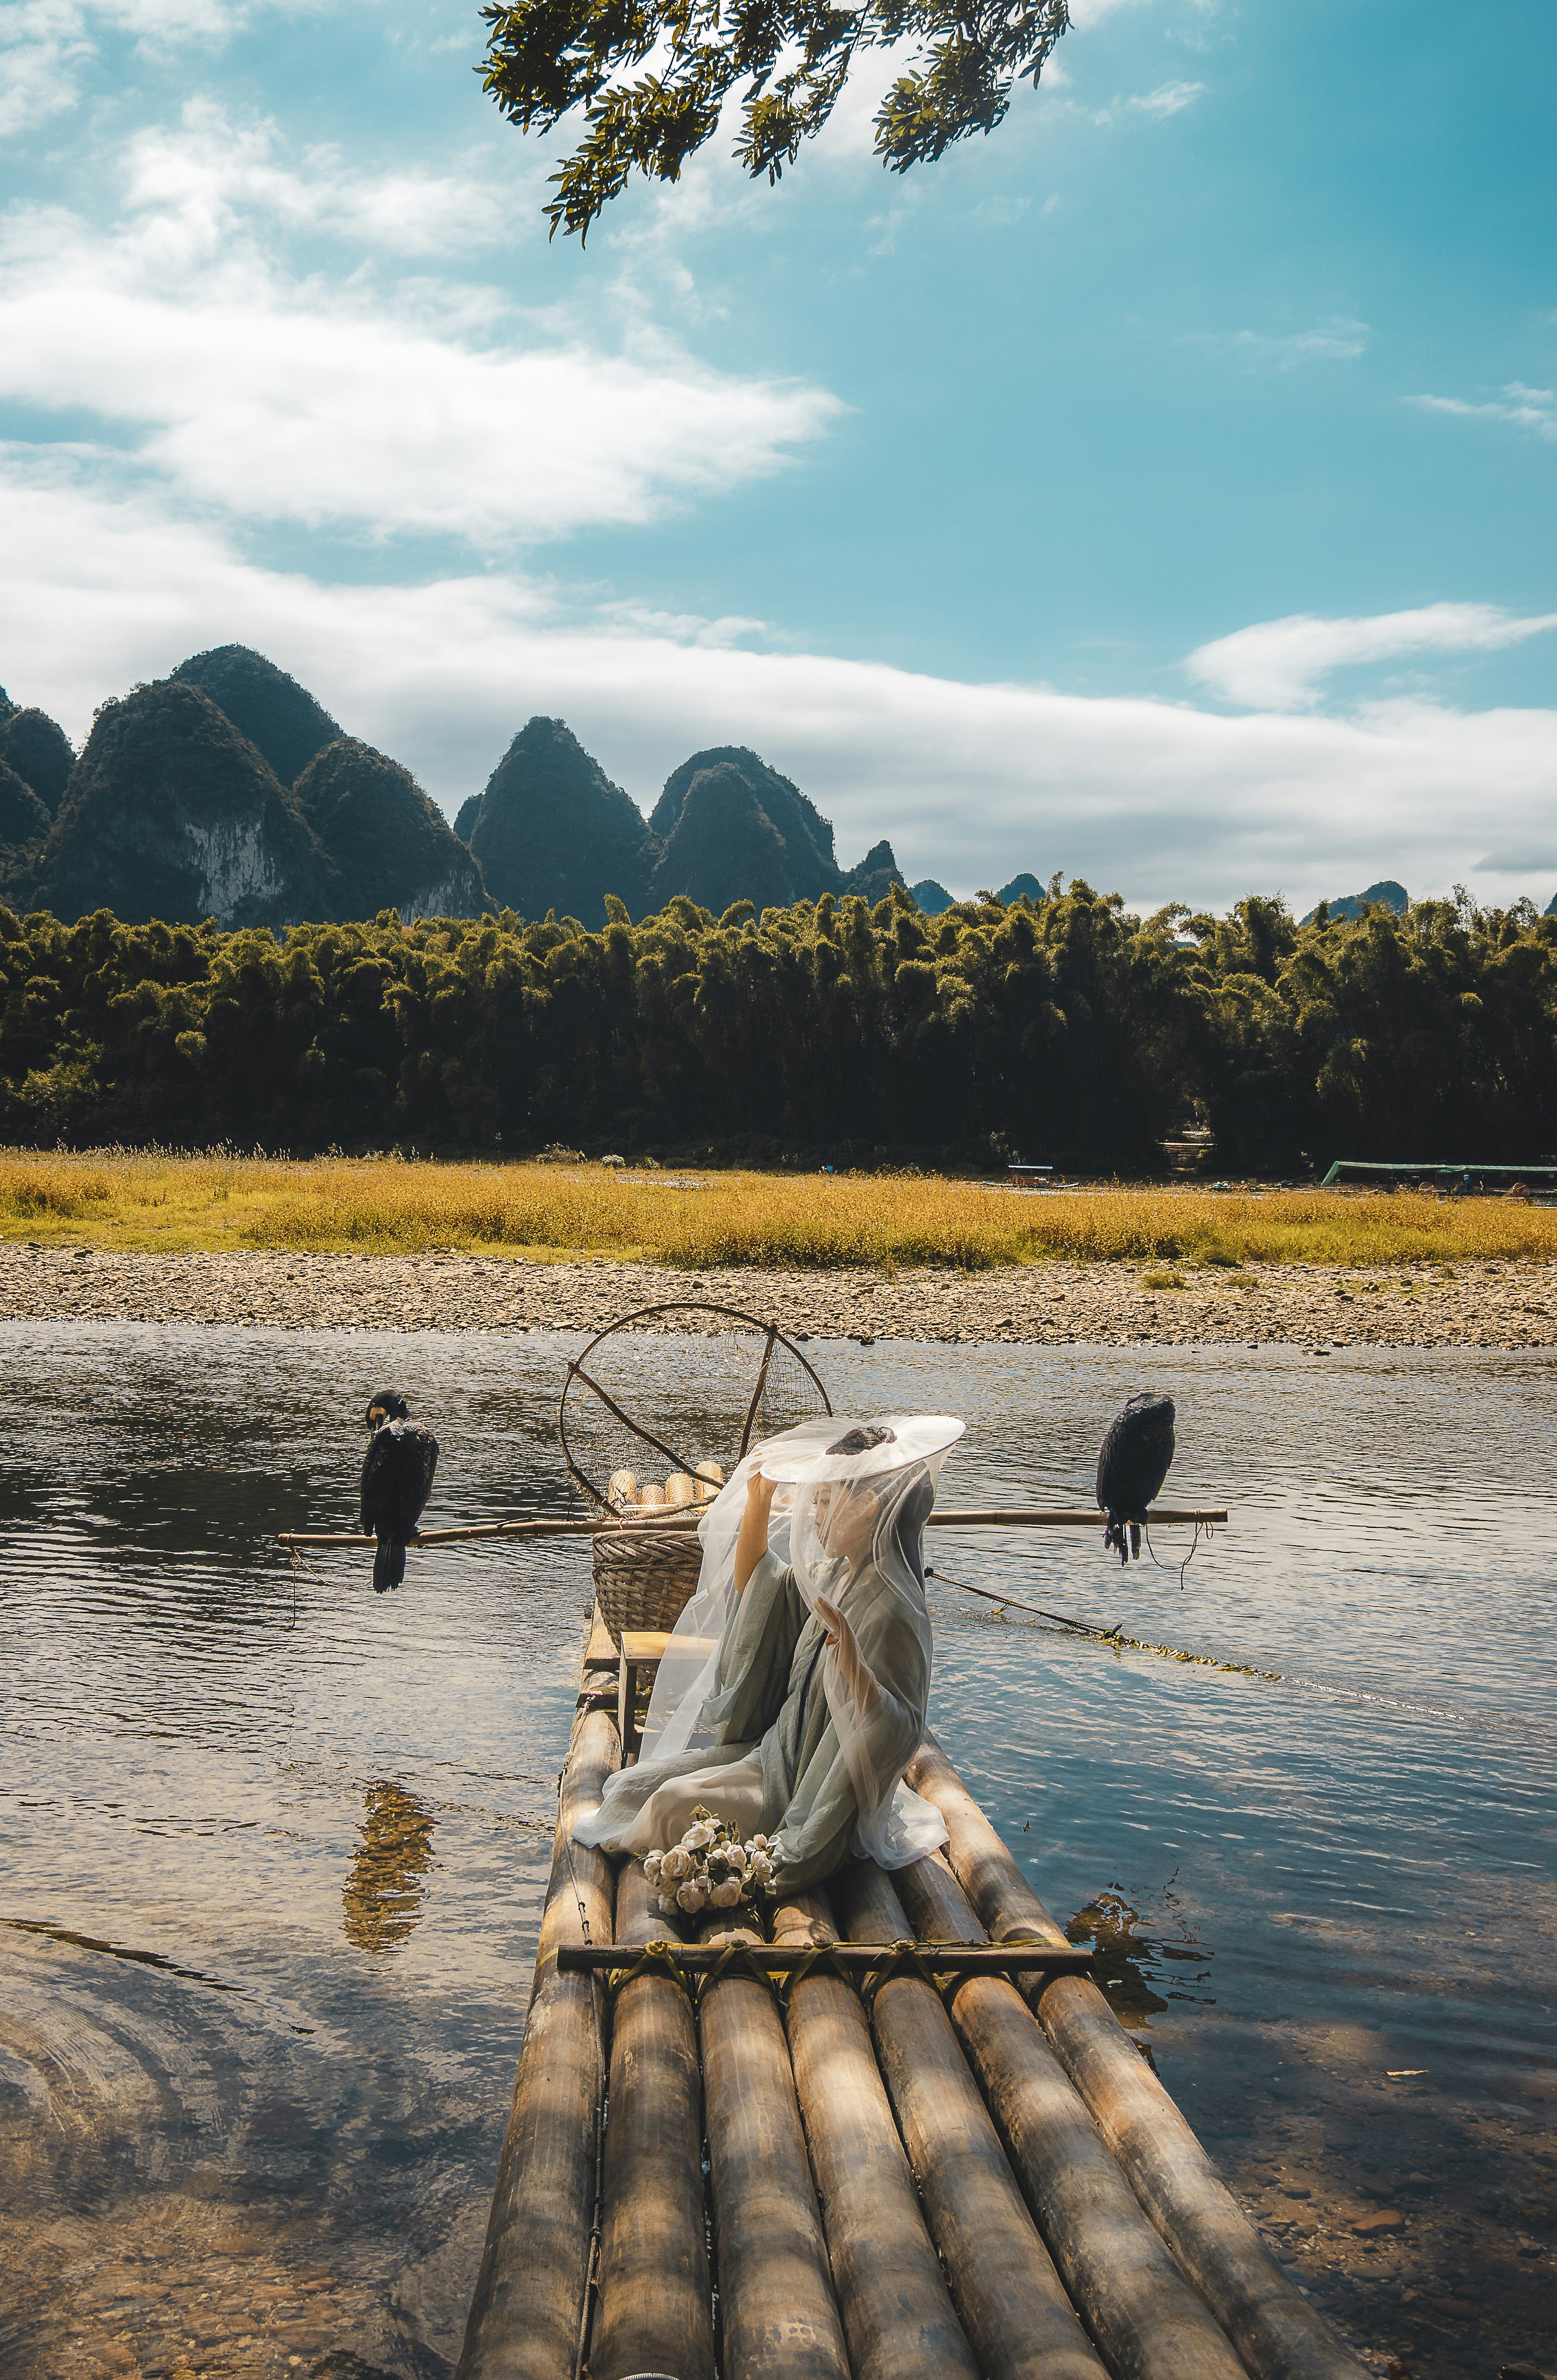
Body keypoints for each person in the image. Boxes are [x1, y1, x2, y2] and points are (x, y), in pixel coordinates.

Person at [572, 1413, 963, 1890]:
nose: (814, 1516)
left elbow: (902, 1731)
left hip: (820, 1791)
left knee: (670, 1803)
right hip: (776, 1755)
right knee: (630, 1785)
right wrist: (757, 1501)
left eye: (823, 1502)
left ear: (867, 1509)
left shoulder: (893, 1609)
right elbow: (762, 1596)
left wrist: (857, 1675)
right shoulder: (839, 1575)